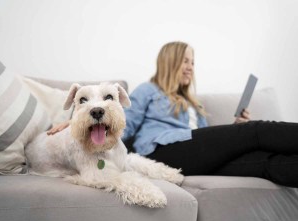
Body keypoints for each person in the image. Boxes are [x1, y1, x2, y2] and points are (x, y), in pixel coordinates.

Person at [48, 41, 298, 187]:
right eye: (185, 60)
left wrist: (234, 126)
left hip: (195, 153)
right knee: (254, 131)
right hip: (165, 150)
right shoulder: (148, 90)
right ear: (170, 62)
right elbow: (123, 125)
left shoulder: (193, 102)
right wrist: (75, 124)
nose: (191, 66)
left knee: (264, 162)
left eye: (193, 62)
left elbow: (207, 139)